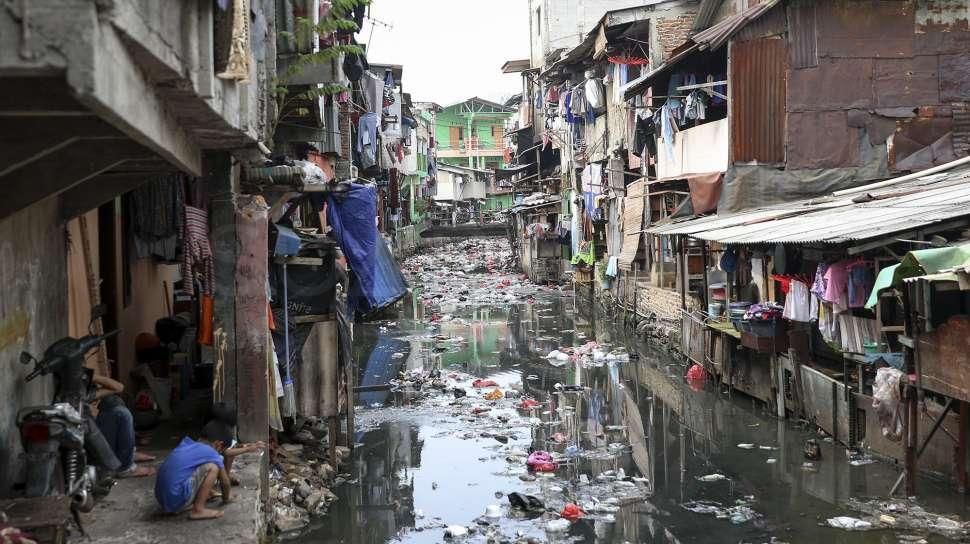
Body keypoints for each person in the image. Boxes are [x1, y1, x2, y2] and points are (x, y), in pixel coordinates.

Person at [154, 420, 264, 520]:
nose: (221, 453)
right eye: (222, 450)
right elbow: (225, 483)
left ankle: (186, 503)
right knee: (213, 467)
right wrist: (227, 497)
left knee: (203, 467)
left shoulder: (187, 443)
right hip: (175, 499)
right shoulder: (211, 452)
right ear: (218, 444)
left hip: (162, 500)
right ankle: (199, 510)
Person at [91, 374, 155, 477]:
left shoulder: (80, 387)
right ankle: (125, 468)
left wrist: (92, 376)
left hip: (93, 428)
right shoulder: (69, 392)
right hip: (89, 440)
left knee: (112, 400)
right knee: (122, 414)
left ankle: (128, 454)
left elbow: (119, 387)